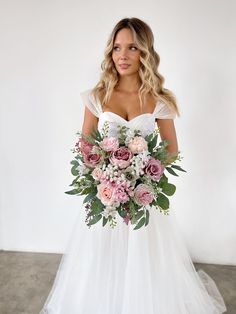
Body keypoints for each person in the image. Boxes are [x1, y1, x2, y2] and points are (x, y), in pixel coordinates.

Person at [39, 17, 227, 313]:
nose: (122, 55)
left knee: (145, 259)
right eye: (116, 48)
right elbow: (87, 146)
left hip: (143, 200)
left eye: (132, 48)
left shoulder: (158, 99)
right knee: (102, 257)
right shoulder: (97, 96)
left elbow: (172, 150)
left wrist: (141, 177)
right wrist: (106, 176)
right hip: (107, 196)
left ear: (145, 53)